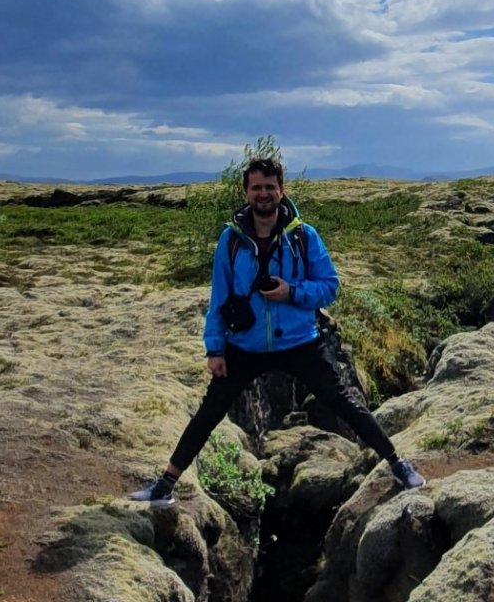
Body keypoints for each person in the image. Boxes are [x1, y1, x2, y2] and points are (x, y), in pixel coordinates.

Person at [131, 154, 425, 502]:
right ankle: (165, 485)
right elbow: (219, 297)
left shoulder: (303, 236)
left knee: (345, 402)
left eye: (270, 187)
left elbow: (330, 286)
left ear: (281, 191)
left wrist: (292, 292)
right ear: (246, 193)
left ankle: (397, 463)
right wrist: (214, 348)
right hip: (245, 344)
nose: (263, 193)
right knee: (208, 414)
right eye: (256, 187)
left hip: (300, 342)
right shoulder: (231, 240)